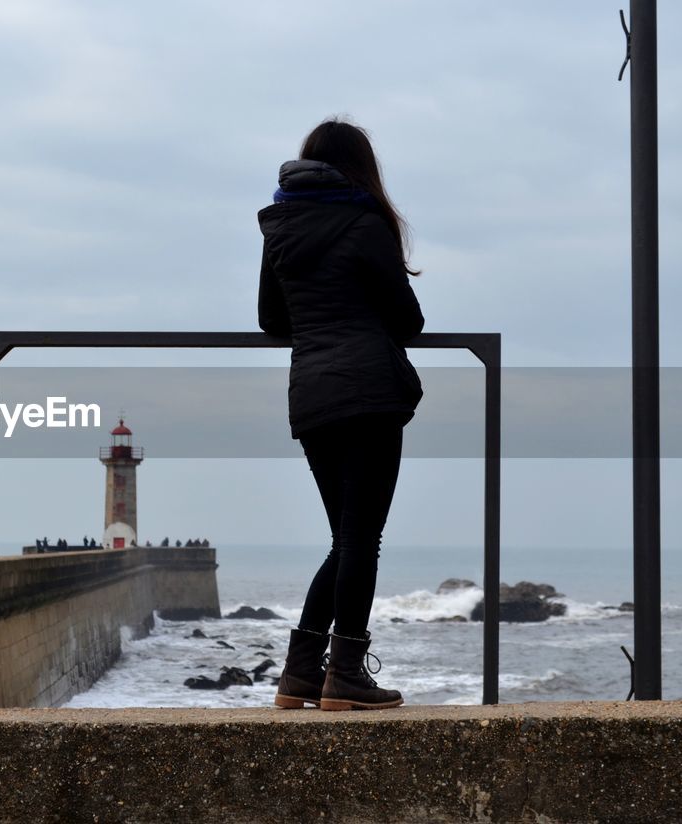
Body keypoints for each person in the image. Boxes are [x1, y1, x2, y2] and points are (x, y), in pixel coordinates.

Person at [258, 118, 424, 712]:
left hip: (312, 395)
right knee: (361, 540)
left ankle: (300, 675)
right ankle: (345, 674)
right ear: (362, 168)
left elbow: (272, 320)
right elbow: (407, 320)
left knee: (344, 539)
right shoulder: (365, 221)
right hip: (371, 393)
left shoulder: (279, 226)